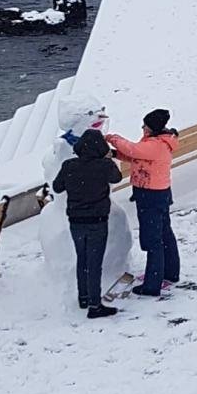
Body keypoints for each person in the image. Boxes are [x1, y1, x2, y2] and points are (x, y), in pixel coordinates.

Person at [106, 109, 180, 298]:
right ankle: (170, 272)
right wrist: (114, 154)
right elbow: (136, 157)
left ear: (152, 128)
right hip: (159, 194)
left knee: (152, 239)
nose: (142, 128)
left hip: (150, 196)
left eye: (145, 125)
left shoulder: (156, 145)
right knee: (164, 234)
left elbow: (132, 149)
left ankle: (152, 285)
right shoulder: (158, 143)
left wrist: (111, 138)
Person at [52, 128, 123, 319]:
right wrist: (107, 158)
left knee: (82, 259)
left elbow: (57, 188)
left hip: (75, 220)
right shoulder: (104, 165)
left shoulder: (69, 166)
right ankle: (94, 304)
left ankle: (83, 296)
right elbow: (117, 177)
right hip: (97, 220)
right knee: (94, 262)